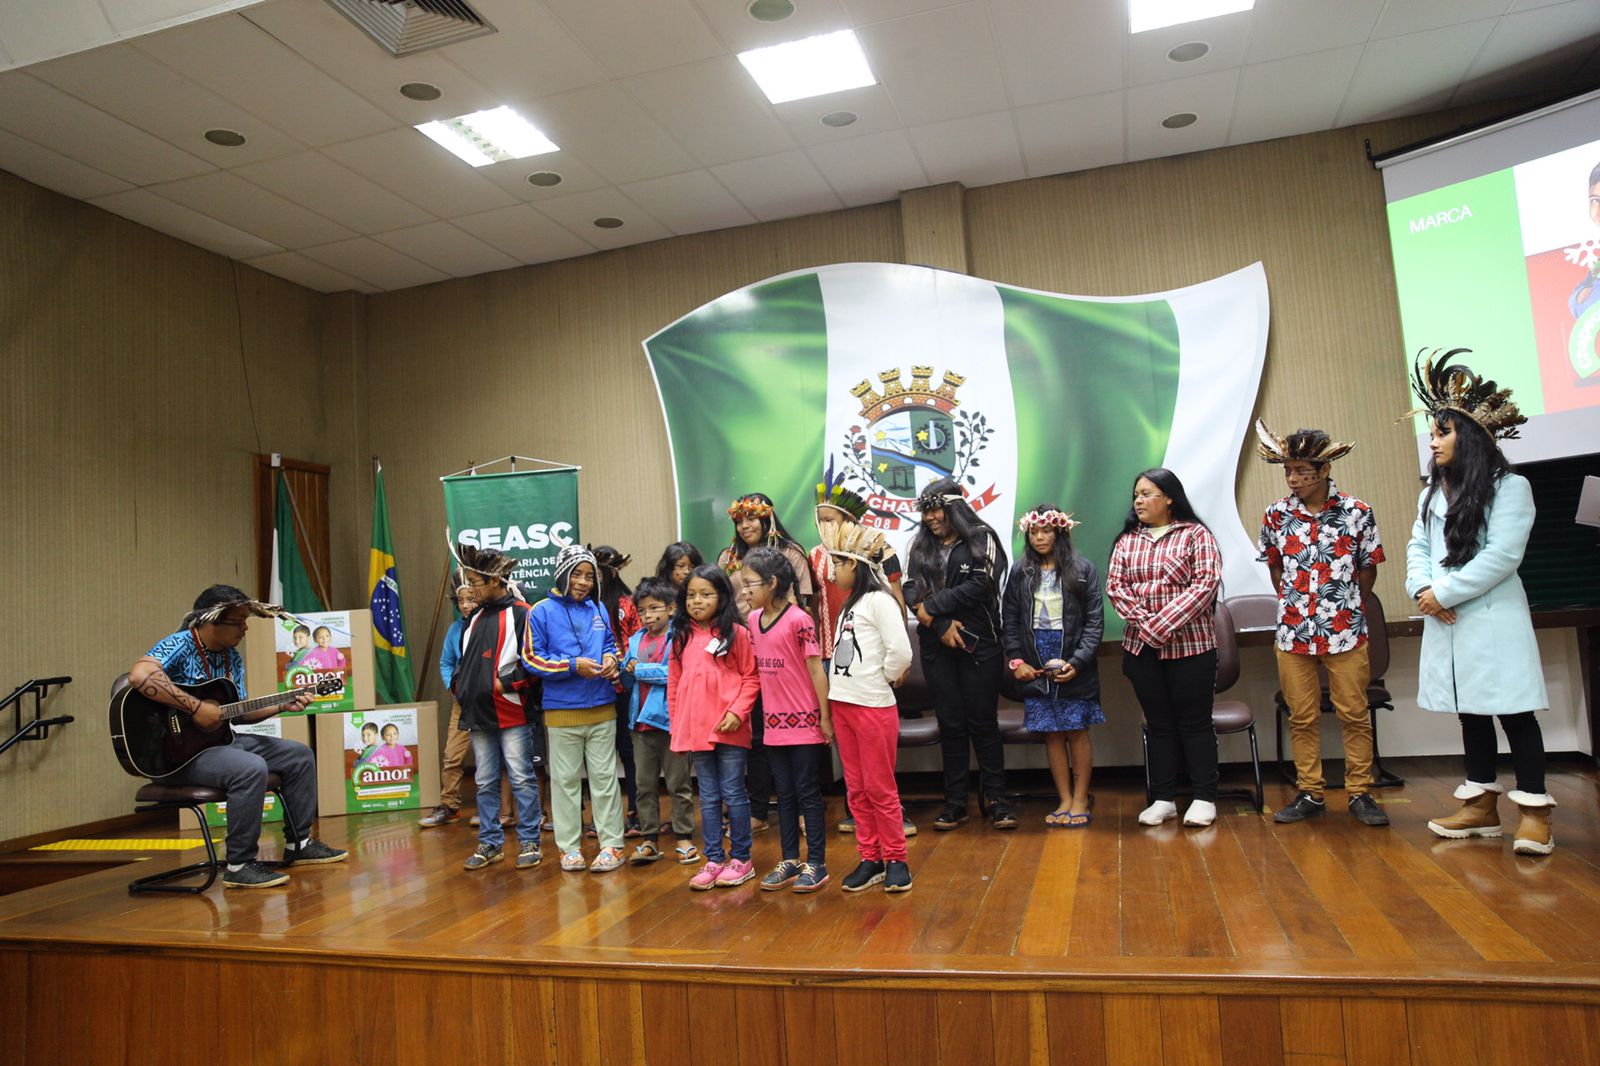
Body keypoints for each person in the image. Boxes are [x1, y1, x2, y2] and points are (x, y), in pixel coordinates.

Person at [1403, 348, 1555, 855]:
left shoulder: (1511, 487)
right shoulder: (1433, 493)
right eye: (1432, 430)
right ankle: (1482, 808)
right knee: (1471, 712)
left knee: (1514, 712)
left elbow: (1502, 557)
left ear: (1468, 437)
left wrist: (1442, 593)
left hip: (1492, 616)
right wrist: (1422, 592)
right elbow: (1418, 547)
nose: (1433, 438)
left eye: (1442, 430)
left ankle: (1533, 811)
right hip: (1448, 619)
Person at [124, 585, 347, 889]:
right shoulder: (180, 644)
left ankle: (299, 844)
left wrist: (282, 704)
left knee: (298, 755)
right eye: (237, 622)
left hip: (217, 742)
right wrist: (196, 707)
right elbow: (140, 676)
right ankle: (240, 863)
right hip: (175, 754)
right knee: (250, 766)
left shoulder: (232, 659)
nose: (244, 628)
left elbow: (235, 713)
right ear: (210, 620)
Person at [1254, 420, 1390, 828]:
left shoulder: (1357, 512)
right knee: (1302, 715)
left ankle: (1360, 792)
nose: (1293, 479)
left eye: (1301, 472)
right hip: (1293, 631)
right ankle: (1310, 792)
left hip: (1345, 630)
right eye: (1288, 471)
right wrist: (1299, 606)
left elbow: (1369, 570)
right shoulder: (1276, 515)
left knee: (1354, 713)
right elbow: (1276, 570)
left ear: (1325, 471)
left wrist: (1342, 606)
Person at [1106, 469, 1222, 828]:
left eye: (1147, 494)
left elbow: (1204, 585)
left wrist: (1162, 624)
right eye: (1135, 495)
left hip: (1192, 648)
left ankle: (1203, 797)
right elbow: (1116, 587)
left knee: (1195, 723)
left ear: (1169, 497)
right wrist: (1148, 625)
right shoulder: (1127, 541)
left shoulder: (1196, 535)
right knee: (1158, 725)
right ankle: (1163, 798)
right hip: (1142, 650)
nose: (1138, 501)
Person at [902, 476, 1015, 831]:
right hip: (937, 647)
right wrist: (938, 625)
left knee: (983, 722)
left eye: (936, 510)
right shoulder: (920, 546)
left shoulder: (983, 537)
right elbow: (909, 587)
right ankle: (955, 803)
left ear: (954, 507)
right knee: (951, 724)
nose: (931, 518)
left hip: (980, 645)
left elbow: (982, 583)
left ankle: (997, 799)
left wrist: (933, 607)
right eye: (926, 512)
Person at [808, 468, 912, 837]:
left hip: (874, 659)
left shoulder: (879, 552)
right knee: (856, 775)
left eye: (831, 521)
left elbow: (896, 598)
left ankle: (894, 823)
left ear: (849, 523)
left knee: (877, 768)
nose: (825, 528)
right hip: (838, 654)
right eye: (820, 521)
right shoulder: (817, 557)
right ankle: (866, 837)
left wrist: (887, 668)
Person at [822, 520, 914, 893]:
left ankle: (896, 859)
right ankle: (870, 857)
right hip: (843, 705)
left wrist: (884, 677)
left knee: (879, 787)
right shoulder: (850, 605)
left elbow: (902, 651)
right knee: (856, 789)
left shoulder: (879, 601)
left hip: (872, 707)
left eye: (838, 562)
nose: (832, 570)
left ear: (855, 565)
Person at [1001, 506, 1104, 828]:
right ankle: (1063, 797)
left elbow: (1094, 623)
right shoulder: (1021, 571)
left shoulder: (1082, 568)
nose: (1040, 537)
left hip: (1073, 658)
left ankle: (1080, 797)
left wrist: (1078, 661)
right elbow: (1011, 621)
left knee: (1076, 730)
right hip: (1035, 659)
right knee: (1052, 735)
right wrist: (1017, 661)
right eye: (1034, 532)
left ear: (1060, 532)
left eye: (1046, 531)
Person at [523, 545, 626, 873]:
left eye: (589, 576)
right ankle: (569, 849)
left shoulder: (598, 607)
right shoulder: (539, 611)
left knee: (605, 779)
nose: (583, 582)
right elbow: (531, 659)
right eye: (577, 574)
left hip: (602, 707)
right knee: (565, 781)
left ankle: (612, 845)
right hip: (561, 710)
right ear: (562, 574)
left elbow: (612, 645)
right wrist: (571, 666)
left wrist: (612, 660)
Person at [718, 494, 816, 835]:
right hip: (745, 652)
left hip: (786, 651)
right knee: (757, 735)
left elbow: (803, 603)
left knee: (800, 737)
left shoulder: (791, 553)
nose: (745, 526)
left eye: (751, 519)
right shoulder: (728, 558)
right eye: (739, 520)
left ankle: (806, 810)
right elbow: (725, 605)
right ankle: (758, 810)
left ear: (767, 519)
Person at [743, 547, 832, 894]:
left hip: (805, 723)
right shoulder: (752, 621)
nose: (745, 591)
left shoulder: (799, 620)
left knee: (808, 793)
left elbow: (815, 668)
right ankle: (790, 859)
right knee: (785, 794)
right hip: (772, 724)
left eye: (751, 584)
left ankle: (818, 863)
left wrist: (826, 717)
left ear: (773, 583)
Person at [451, 544, 544, 872]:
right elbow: (464, 662)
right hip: (477, 715)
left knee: (521, 777)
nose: (472, 588)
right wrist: (460, 687)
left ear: (495, 580)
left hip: (512, 711)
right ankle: (490, 843)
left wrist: (504, 685)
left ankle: (530, 839)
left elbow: (533, 663)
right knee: (485, 780)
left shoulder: (522, 613)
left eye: (476, 581)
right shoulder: (473, 617)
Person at [668, 565, 760, 890]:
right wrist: (678, 724)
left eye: (705, 594)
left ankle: (741, 858)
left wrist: (737, 711)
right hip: (696, 730)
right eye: (691, 595)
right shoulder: (681, 637)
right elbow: (675, 684)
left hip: (729, 727)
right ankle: (714, 859)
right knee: (707, 796)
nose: (697, 601)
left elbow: (751, 677)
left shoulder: (738, 633)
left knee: (733, 792)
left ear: (722, 597)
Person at [620, 579, 699, 865]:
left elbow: (674, 674)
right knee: (643, 785)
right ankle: (649, 839)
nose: (648, 616)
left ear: (671, 609)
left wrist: (639, 669)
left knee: (679, 784)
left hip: (671, 722)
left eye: (654, 608)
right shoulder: (636, 639)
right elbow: (627, 674)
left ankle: (684, 837)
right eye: (642, 611)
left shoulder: (679, 636)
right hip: (639, 723)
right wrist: (627, 669)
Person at [420, 584, 512, 828]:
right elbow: (446, 662)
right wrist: (454, 687)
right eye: (461, 601)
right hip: (462, 701)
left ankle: (487, 810)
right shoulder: (454, 629)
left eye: (470, 599)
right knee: (452, 755)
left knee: (490, 757)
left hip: (490, 700)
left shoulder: (490, 623)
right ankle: (449, 805)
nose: (465, 605)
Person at [594, 545, 642, 838]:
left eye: (598, 571)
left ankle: (635, 812)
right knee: (600, 755)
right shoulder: (585, 605)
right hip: (594, 687)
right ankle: (603, 817)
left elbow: (636, 642)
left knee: (628, 750)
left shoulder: (628, 602)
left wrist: (618, 665)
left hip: (623, 685)